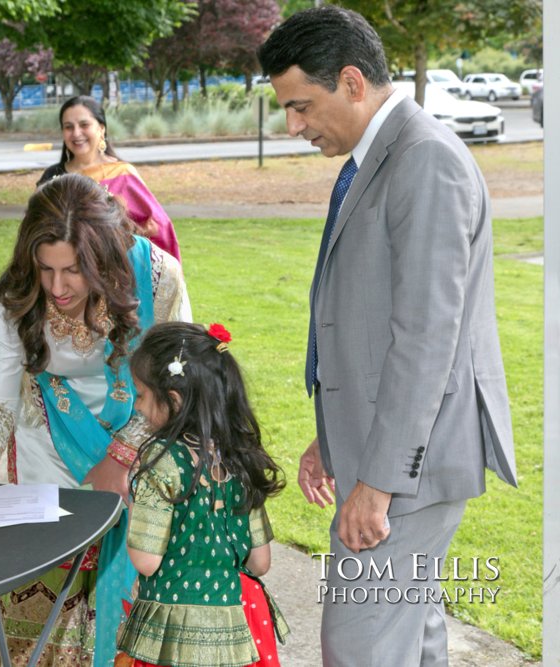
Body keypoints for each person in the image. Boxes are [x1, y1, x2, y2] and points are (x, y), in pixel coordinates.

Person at [258, 7, 518, 665]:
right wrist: (334, 429)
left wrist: (377, 483)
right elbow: (372, 324)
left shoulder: (424, 160)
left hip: (408, 470)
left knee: (361, 647)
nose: (293, 126)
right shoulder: (382, 155)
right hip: (386, 449)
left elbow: (427, 337)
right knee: (414, 640)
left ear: (351, 82)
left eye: (300, 106)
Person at [0, 173, 191, 667]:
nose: (57, 287)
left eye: (74, 271)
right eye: (45, 269)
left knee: (138, 590)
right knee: (45, 599)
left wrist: (123, 456)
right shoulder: (19, 297)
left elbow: (179, 380)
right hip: (46, 447)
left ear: (105, 258)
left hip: (141, 442)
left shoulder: (158, 277)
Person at [116, 321, 289, 667]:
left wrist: (135, 505)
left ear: (174, 400)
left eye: (141, 394)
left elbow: (146, 561)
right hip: (239, 626)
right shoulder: (241, 459)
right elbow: (260, 562)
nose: (137, 406)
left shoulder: (161, 461)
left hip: (174, 632)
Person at [37, 96, 181, 262]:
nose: (76, 133)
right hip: (63, 273)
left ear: (101, 129)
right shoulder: (52, 178)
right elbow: (35, 230)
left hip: (114, 274)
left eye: (84, 125)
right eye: (68, 127)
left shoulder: (123, 174)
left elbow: (159, 228)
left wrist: (140, 233)